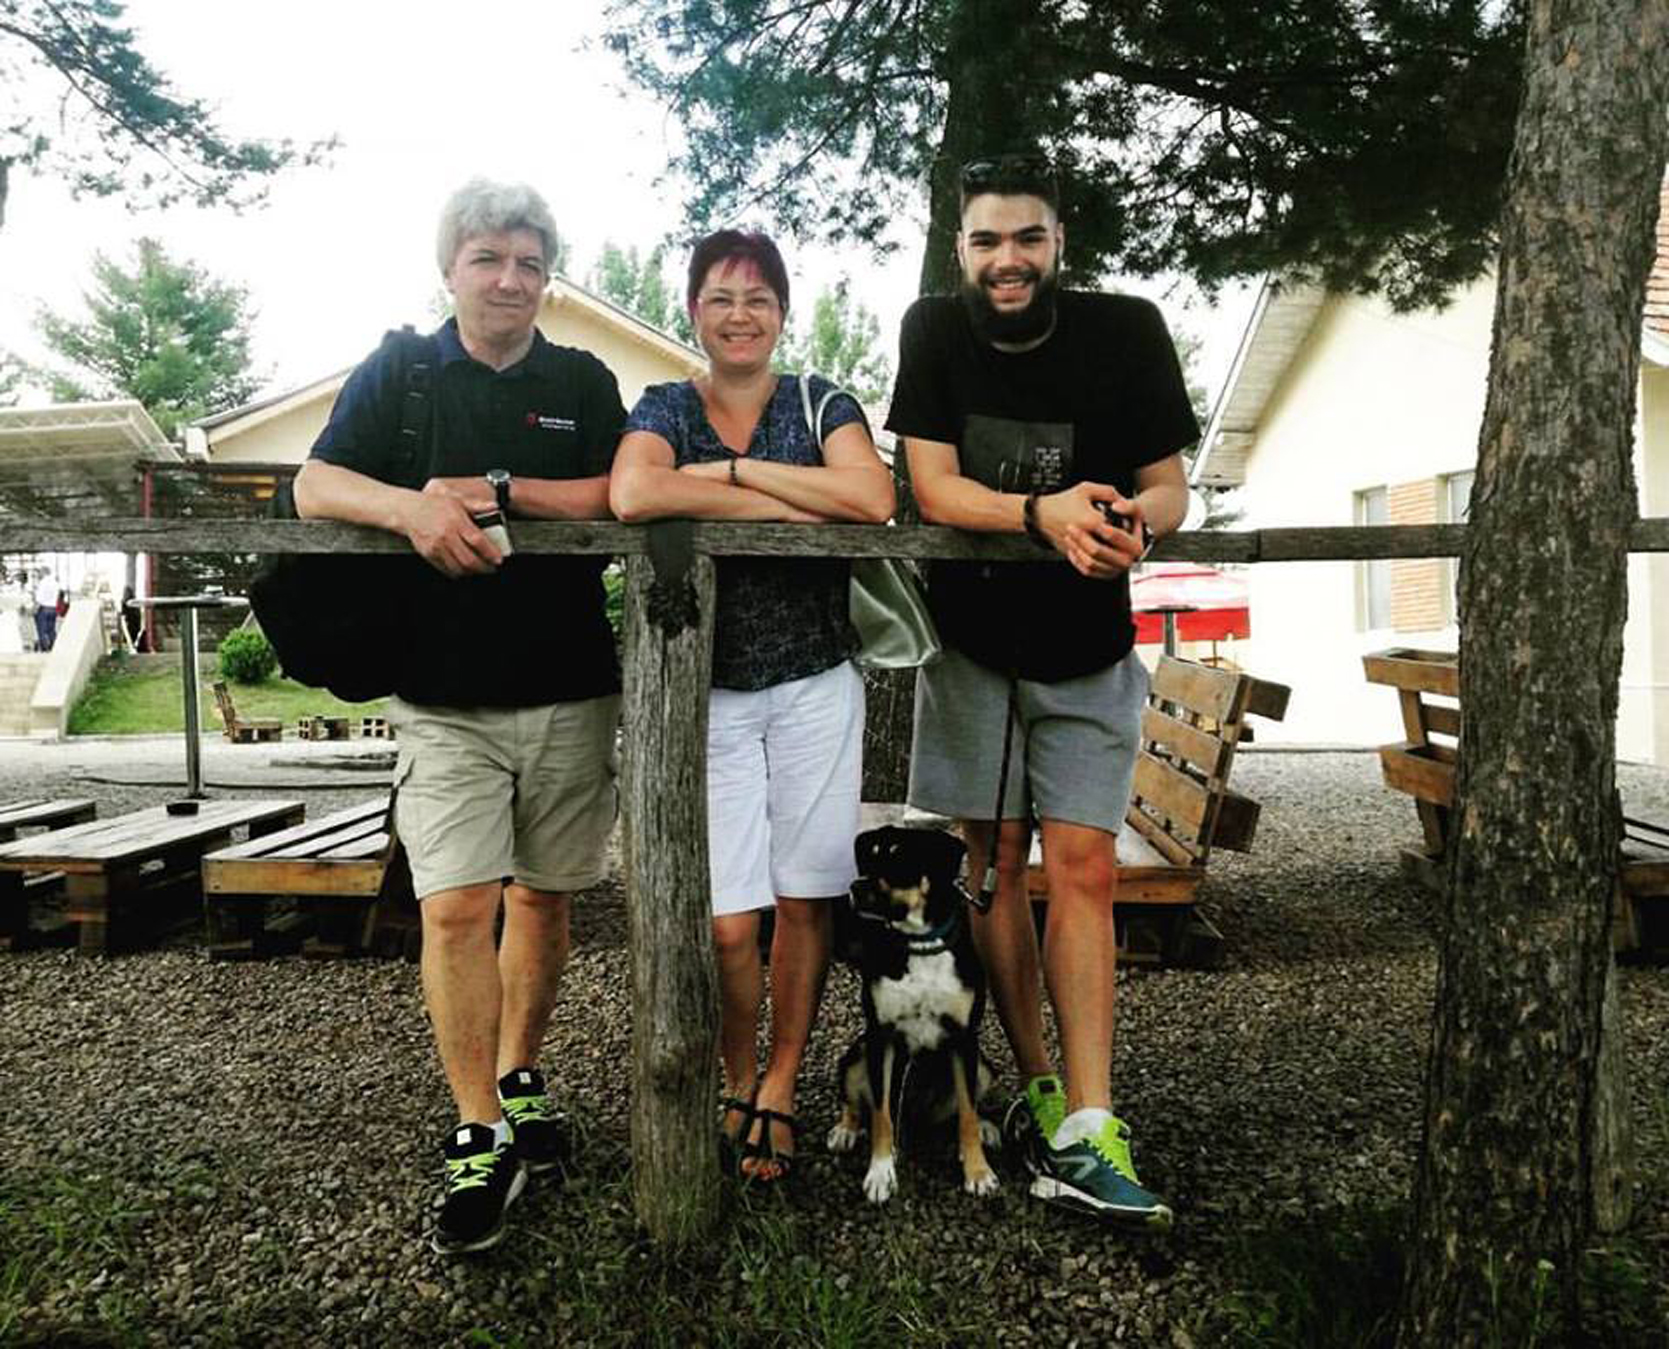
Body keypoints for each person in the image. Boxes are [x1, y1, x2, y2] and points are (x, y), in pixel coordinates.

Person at [291, 179, 626, 1255]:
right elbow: (314, 483)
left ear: (547, 278)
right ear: (450, 268)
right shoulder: (399, 369)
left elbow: (621, 494)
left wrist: (499, 486)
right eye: (488, 258)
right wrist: (412, 507)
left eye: (529, 262)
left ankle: (521, 1074)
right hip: (439, 697)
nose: (509, 279)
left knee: (546, 896)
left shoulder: (582, 380)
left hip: (569, 685)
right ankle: (478, 1126)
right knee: (454, 907)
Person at [885, 153, 1197, 1227]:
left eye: (1026, 237)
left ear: (1059, 241)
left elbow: (1169, 485)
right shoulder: (932, 330)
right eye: (986, 240)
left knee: (1084, 867)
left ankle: (1092, 1123)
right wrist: (1042, 513)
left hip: (1088, 642)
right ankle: (1037, 1085)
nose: (1006, 259)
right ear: (960, 250)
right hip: (971, 642)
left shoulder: (1127, 329)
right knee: (992, 866)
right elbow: (931, 486)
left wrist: (1137, 525)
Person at [610, 229, 894, 1181]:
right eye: (722, 297)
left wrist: (724, 478)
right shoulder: (665, 405)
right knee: (730, 918)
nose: (740, 315)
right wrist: (793, 500)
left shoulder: (820, 400)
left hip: (815, 681)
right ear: (694, 309)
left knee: (805, 897)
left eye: (758, 298)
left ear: (782, 311)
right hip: (712, 693)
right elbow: (633, 491)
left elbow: (871, 496)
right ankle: (736, 1073)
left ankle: (777, 1083)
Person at [32, 570, 58, 652]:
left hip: (43, 609)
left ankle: (44, 649)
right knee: (51, 630)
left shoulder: (42, 582)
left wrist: (35, 609)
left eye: (40, 573)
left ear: (43, 572)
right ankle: (53, 647)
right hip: (53, 608)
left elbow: (39, 599)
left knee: (42, 630)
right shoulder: (55, 582)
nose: (39, 575)